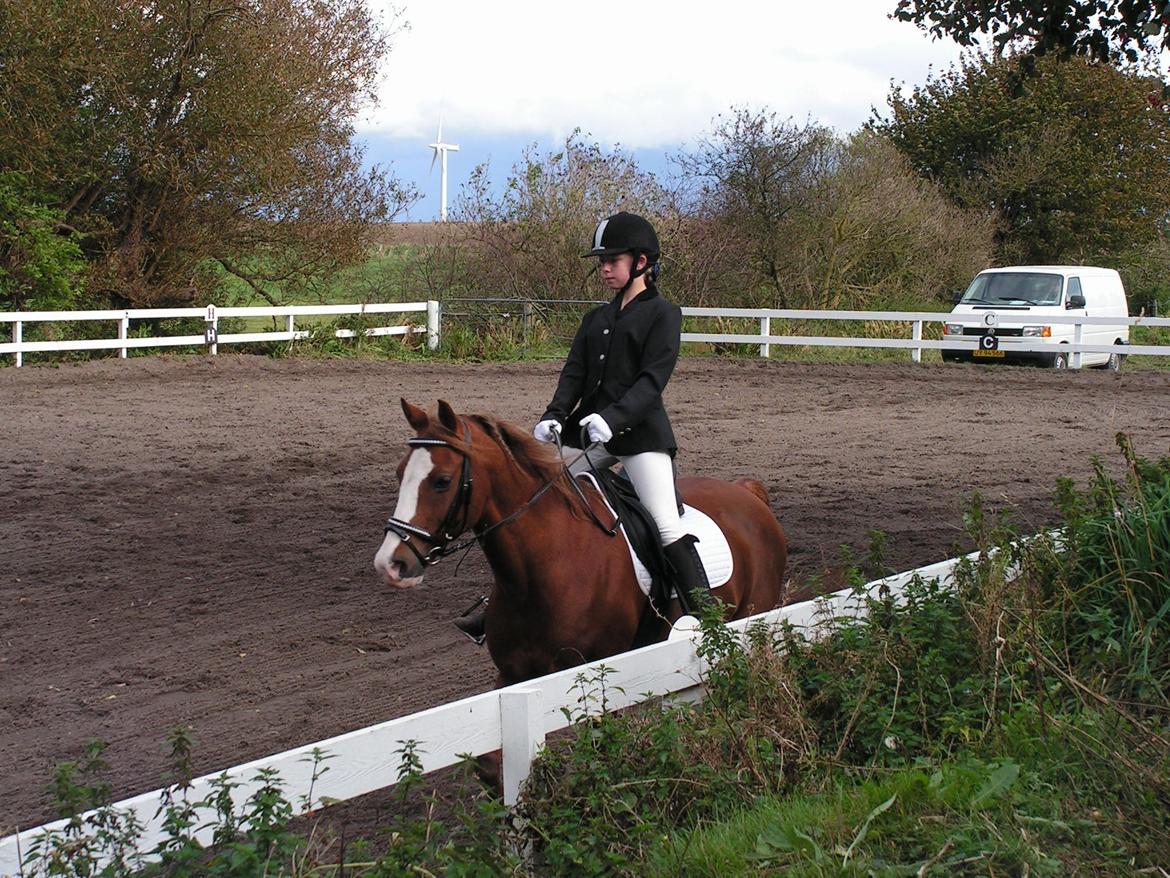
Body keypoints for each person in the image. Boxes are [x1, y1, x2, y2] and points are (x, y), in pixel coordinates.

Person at [454, 211, 709, 643]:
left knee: (665, 522)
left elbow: (652, 381)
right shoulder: (595, 319)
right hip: (590, 438)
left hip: (641, 440)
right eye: (602, 262)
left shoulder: (664, 314)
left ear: (641, 262)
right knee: (535, 504)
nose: (605, 268)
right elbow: (573, 374)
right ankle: (502, 605)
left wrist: (613, 418)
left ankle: (704, 614)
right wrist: (553, 416)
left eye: (613, 260)